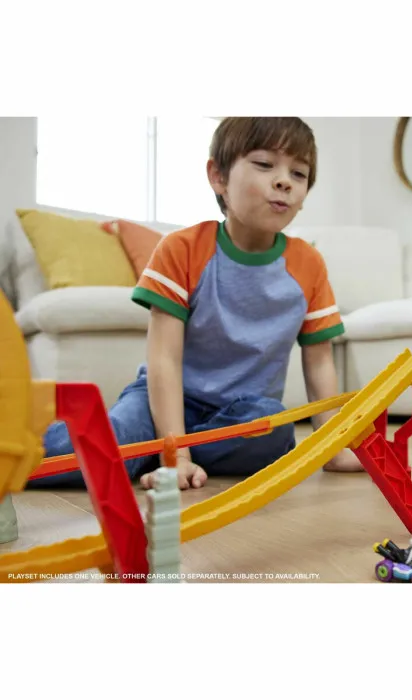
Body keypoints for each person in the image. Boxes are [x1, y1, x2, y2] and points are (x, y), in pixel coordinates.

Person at [34, 117, 363, 491]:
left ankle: (150, 453)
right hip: (161, 401)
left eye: (299, 174)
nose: (284, 181)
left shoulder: (309, 265)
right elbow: (164, 359)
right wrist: (175, 454)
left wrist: (335, 448)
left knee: (273, 430)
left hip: (240, 413)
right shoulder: (182, 249)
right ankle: (33, 446)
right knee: (109, 441)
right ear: (218, 176)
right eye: (264, 164)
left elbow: (319, 362)